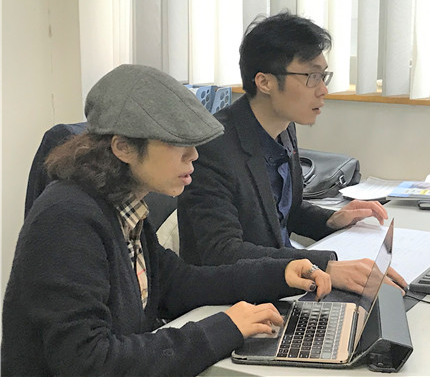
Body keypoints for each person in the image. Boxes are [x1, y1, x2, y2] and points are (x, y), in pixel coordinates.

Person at [1, 64, 331, 376]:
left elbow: (180, 283)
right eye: (177, 143)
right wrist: (224, 328)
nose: (194, 155)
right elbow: (90, 361)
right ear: (123, 147)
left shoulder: (121, 208)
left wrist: (280, 274)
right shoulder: (68, 220)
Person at [178, 12, 407, 294]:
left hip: (283, 285)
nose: (323, 90)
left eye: (323, 76)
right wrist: (323, 266)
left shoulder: (284, 128)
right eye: (311, 77)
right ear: (264, 82)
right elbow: (222, 253)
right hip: (235, 297)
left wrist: (330, 219)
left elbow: (286, 212)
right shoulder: (213, 148)